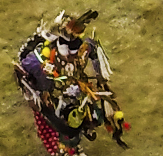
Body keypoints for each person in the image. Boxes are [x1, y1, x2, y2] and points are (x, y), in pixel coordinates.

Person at [33, 8, 129, 146]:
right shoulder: (57, 47)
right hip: (60, 81)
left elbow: (94, 59)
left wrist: (100, 78)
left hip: (77, 83)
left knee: (83, 106)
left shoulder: (82, 50)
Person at [32, 78, 112, 156]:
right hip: (66, 126)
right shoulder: (50, 105)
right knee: (70, 145)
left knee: (73, 142)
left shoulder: (64, 98)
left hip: (70, 122)